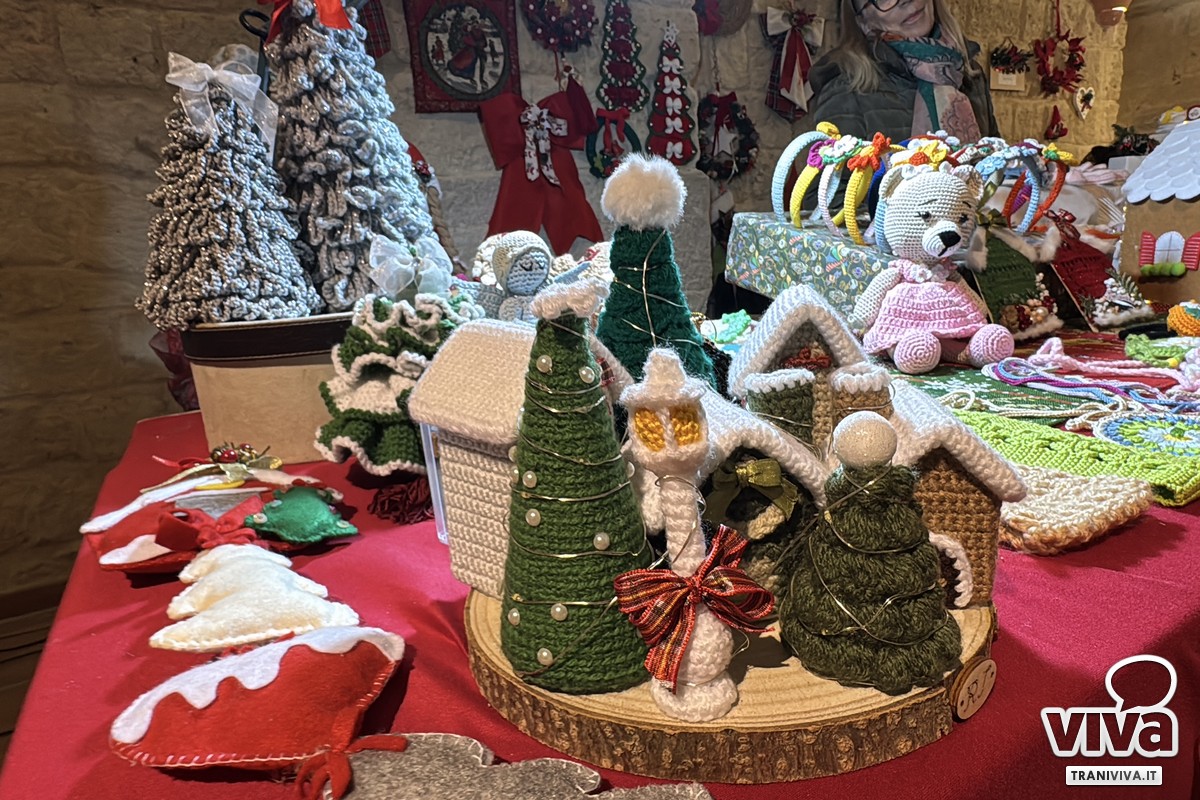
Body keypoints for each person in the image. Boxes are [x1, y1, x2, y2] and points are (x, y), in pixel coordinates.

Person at [807, 0, 998, 143]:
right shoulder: (846, 89)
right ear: (863, 21)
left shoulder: (969, 71)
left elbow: (996, 163)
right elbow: (829, 184)